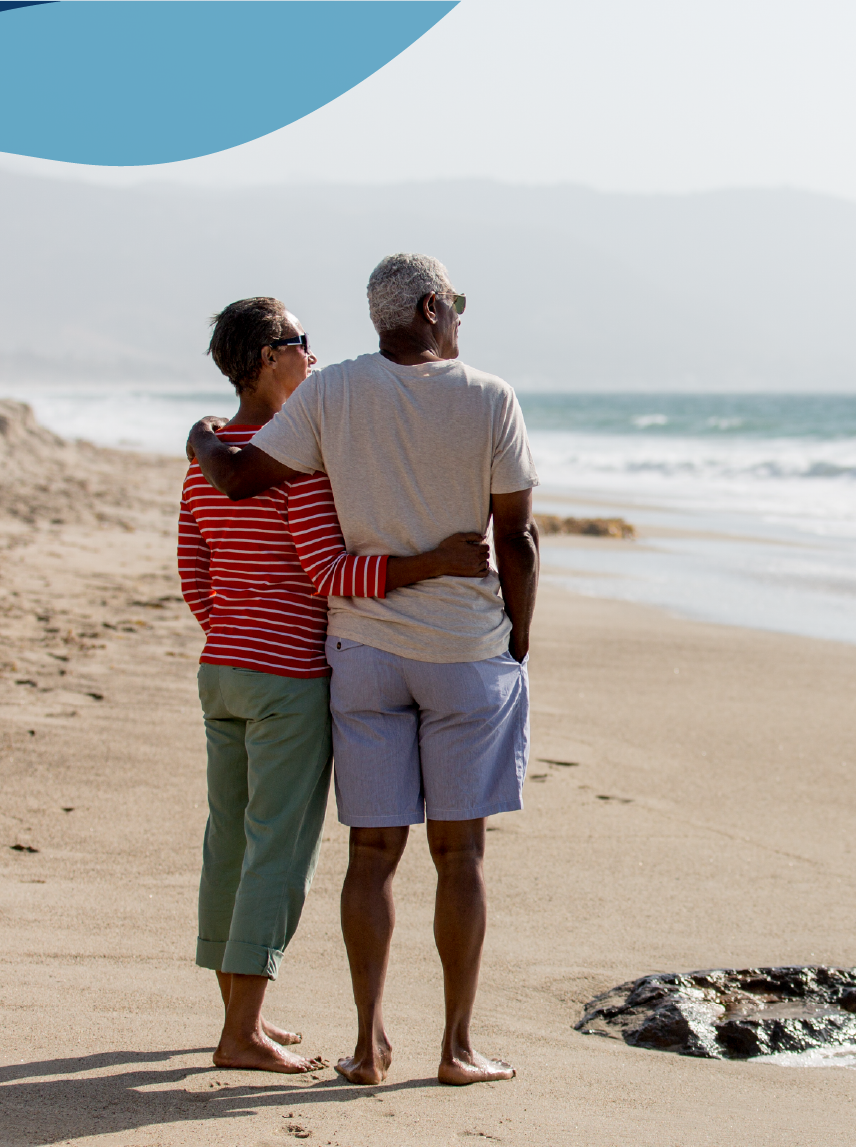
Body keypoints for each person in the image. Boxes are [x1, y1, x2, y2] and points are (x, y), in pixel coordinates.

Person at [187, 255, 539, 1087]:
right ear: (430, 308)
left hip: (363, 654)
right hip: (463, 649)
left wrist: (202, 436)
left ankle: (367, 1045)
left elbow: (235, 479)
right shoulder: (489, 395)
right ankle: (455, 1049)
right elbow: (517, 538)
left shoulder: (331, 390)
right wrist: (518, 637)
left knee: (371, 852)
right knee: (461, 854)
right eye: (454, 303)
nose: (458, 316)